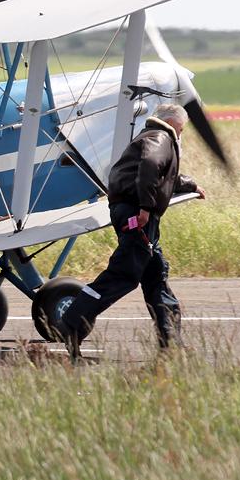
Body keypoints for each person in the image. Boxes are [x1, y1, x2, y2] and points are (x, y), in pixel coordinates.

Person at [60, 103, 207, 358]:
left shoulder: (148, 136)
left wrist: (190, 185)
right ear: (173, 123)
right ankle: (72, 321)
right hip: (137, 216)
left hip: (134, 215)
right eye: (181, 129)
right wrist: (146, 208)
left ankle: (171, 345)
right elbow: (150, 165)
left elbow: (163, 176)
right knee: (123, 276)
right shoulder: (161, 138)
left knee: (156, 279)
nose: (180, 135)